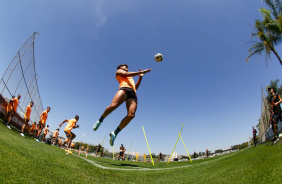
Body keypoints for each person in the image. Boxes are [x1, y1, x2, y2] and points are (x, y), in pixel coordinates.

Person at [93, 64, 152, 146]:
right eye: (125, 67)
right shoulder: (119, 71)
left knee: (131, 115)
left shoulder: (131, 78)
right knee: (113, 106)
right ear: (121, 68)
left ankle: (115, 133)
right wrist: (142, 71)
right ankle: (100, 120)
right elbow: (126, 74)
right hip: (124, 89)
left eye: (127, 67)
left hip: (132, 94)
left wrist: (140, 77)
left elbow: (135, 87)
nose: (127, 68)